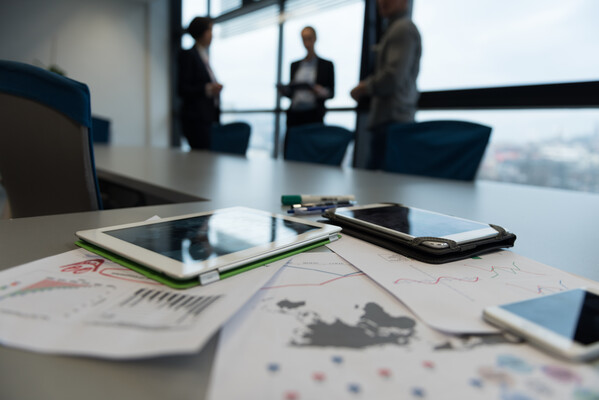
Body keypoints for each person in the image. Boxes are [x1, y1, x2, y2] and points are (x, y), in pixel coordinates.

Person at [350, 0, 421, 169]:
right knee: (379, 185)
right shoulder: (394, 28)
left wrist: (365, 87)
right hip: (390, 118)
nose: (381, 2)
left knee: (380, 185)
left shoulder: (402, 28)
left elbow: (392, 77)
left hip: (393, 120)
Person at [178, 17, 223, 150]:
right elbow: (182, 89)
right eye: (210, 30)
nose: (212, 35)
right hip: (196, 120)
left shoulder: (203, 56)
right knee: (201, 159)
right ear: (201, 32)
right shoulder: (189, 55)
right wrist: (208, 89)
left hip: (208, 117)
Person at [280, 26, 335, 129]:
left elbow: (331, 93)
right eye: (304, 39)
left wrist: (320, 91)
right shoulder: (295, 65)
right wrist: (285, 91)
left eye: (309, 38)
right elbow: (292, 93)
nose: (306, 42)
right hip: (294, 115)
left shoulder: (326, 65)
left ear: (315, 38)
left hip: (313, 115)